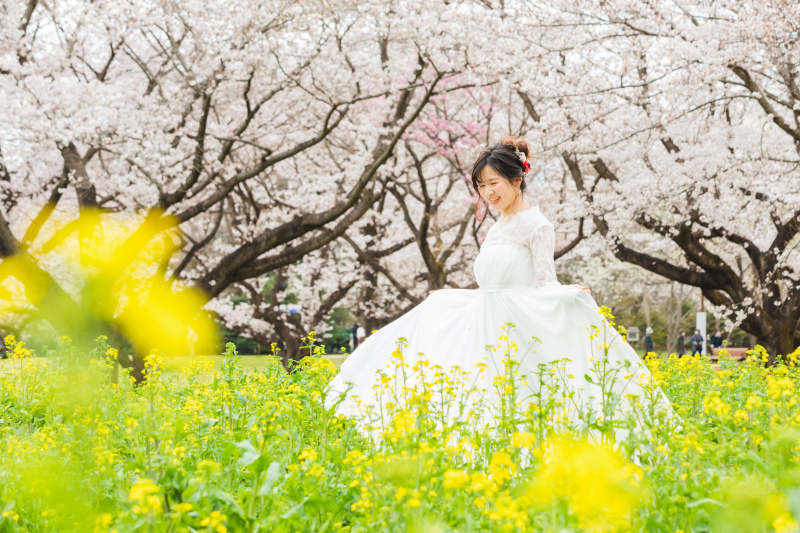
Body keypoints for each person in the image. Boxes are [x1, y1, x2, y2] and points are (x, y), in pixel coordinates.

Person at [327, 137, 671, 427]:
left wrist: (568, 294)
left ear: (516, 180)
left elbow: (543, 282)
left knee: (511, 398)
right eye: (481, 185)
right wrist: (448, 296)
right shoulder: (495, 228)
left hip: (513, 328)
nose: (487, 192)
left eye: (494, 183)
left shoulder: (537, 225)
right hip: (484, 322)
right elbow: (489, 288)